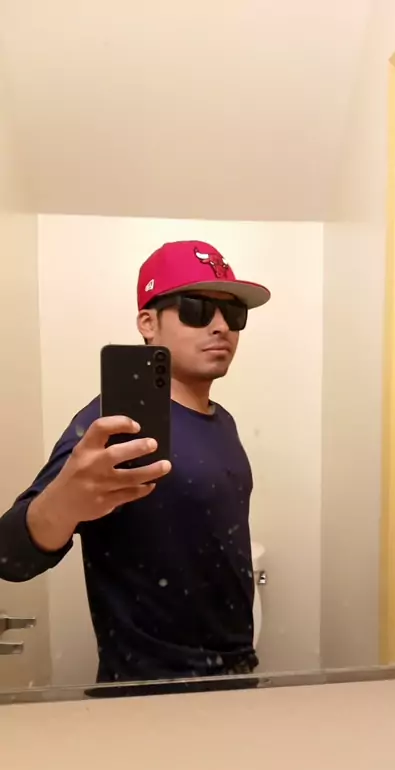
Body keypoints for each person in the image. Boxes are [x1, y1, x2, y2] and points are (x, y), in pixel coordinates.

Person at [0, 240, 270, 683]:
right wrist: (61, 505)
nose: (222, 326)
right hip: (148, 688)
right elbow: (11, 556)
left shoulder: (223, 422)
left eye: (234, 313)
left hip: (235, 674)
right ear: (148, 323)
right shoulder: (114, 424)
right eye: (197, 309)